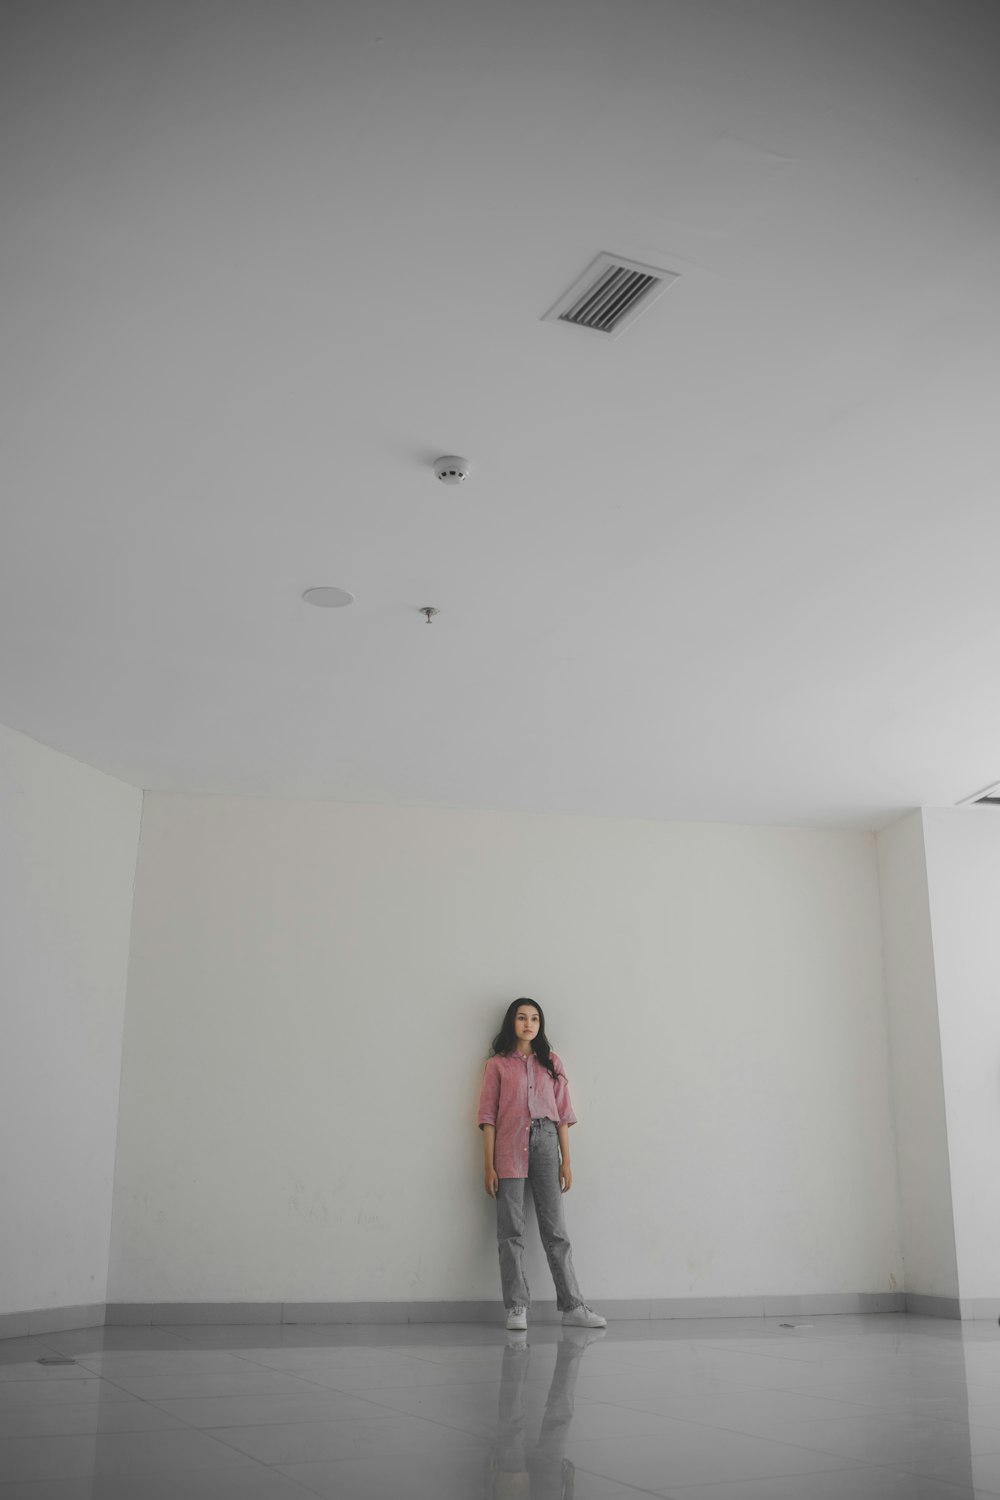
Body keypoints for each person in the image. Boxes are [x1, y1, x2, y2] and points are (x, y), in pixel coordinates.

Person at [478, 997, 606, 1332]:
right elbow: (488, 1117)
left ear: (540, 1024)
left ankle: (573, 1306)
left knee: (556, 1232)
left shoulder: (552, 1062)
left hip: (547, 1143)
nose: (528, 1024)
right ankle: (517, 1306)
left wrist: (567, 1162)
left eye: (534, 1018)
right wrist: (488, 1165)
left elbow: (563, 1116)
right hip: (508, 1148)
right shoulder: (497, 1066)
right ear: (512, 1022)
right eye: (522, 1018)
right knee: (511, 1231)